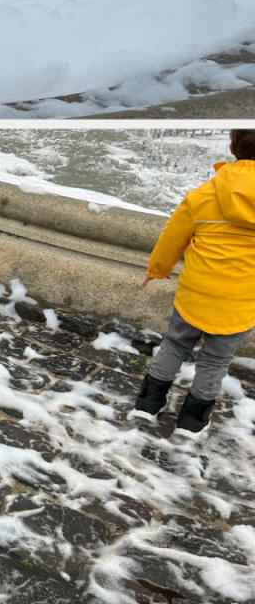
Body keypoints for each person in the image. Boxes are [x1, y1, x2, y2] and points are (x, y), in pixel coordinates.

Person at [133, 129, 255, 438]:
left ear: (231, 146)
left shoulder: (202, 195)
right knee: (215, 361)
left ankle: (147, 404)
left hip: (195, 294)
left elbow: (171, 239)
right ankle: (192, 422)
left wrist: (156, 269)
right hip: (241, 303)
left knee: (175, 344)